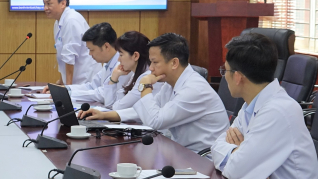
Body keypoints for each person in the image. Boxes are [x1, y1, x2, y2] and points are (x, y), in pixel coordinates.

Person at [211, 34, 318, 179]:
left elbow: (235, 170)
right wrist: (238, 152)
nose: (224, 76)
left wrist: (242, 157)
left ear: (238, 77)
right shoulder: (251, 104)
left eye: (225, 71)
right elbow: (216, 146)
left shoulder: (278, 111)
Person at [80, 33, 228, 152]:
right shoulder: (170, 83)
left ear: (174, 63)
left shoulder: (193, 89)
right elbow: (145, 110)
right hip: (182, 151)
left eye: (155, 62)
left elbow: (155, 121)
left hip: (202, 160)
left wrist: (145, 85)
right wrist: (105, 115)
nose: (150, 68)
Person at [80, 31, 156, 118]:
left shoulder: (146, 77)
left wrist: (114, 79)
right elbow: (110, 105)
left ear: (135, 56)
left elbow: (117, 108)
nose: (118, 59)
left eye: (121, 55)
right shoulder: (134, 74)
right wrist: (114, 78)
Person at [41, 0, 99, 91]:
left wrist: (67, 89)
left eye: (49, 4)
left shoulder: (71, 20)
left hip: (86, 81)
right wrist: (60, 83)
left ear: (63, 3)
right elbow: (63, 56)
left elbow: (70, 57)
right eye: (44, 4)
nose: (45, 8)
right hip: (75, 83)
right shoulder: (58, 22)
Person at [63, 22, 126, 104]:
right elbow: (92, 86)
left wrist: (69, 94)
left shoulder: (123, 65)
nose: (90, 54)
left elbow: (103, 94)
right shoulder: (107, 63)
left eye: (91, 50)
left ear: (106, 46)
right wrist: (66, 89)